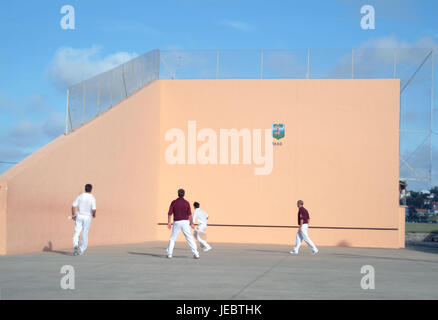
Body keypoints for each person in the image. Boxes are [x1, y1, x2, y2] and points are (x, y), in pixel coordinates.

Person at [166, 189, 200, 259]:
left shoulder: (174, 202)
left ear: (178, 194)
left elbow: (169, 213)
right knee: (189, 238)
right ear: (184, 194)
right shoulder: (186, 203)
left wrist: (169, 222)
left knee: (172, 238)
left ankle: (169, 254)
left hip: (177, 222)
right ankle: (196, 254)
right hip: (185, 222)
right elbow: (189, 214)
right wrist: (192, 223)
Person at [72, 184, 96, 256]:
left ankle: (75, 245)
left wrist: (73, 215)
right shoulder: (92, 198)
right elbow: (94, 209)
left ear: (85, 189)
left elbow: (73, 206)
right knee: (85, 233)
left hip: (79, 216)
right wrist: (94, 214)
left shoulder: (80, 196)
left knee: (76, 232)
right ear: (91, 189)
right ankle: (81, 250)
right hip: (87, 217)